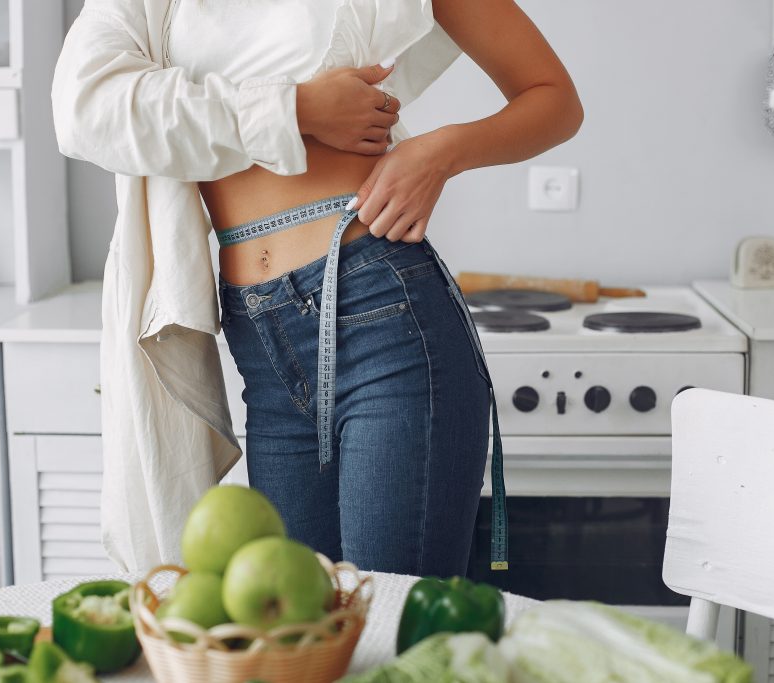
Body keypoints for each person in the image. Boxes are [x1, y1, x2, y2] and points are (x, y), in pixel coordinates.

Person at [52, 0, 582, 575]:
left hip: (379, 310)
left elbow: (553, 98)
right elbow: (83, 110)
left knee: (390, 629)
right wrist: (296, 108)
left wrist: (438, 153)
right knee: (300, 635)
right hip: (259, 337)